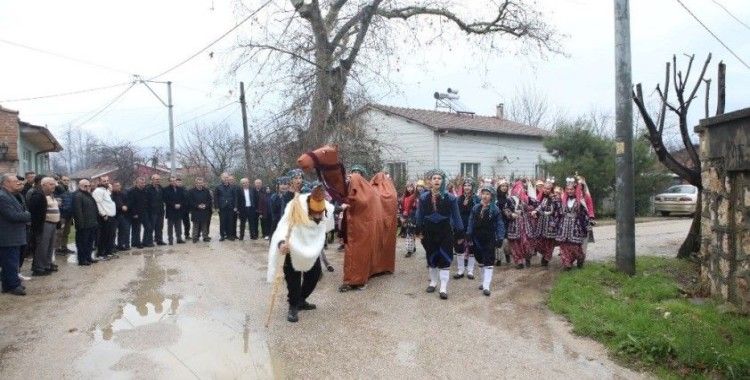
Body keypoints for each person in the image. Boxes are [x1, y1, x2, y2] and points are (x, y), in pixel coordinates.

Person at [267, 182, 334, 323]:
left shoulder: (324, 207)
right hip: (293, 248)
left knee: (315, 274)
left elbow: (332, 213)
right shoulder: (295, 207)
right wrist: (281, 243)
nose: (317, 216)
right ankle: (293, 306)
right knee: (293, 280)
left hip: (311, 249)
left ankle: (301, 300)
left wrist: (342, 208)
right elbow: (283, 227)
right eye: (314, 213)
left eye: (319, 214)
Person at [416, 169, 463, 300]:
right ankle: (433, 282)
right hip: (429, 232)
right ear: (430, 181)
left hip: (445, 232)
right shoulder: (424, 197)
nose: (437, 180)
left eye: (439, 178)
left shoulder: (451, 198)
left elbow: (457, 216)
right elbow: (419, 215)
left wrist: (460, 233)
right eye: (434, 178)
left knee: (445, 258)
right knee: (431, 258)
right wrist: (418, 229)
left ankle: (443, 287)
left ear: (443, 181)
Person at [466, 186, 505, 296]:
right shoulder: (476, 208)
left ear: (492, 197)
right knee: (480, 260)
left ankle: (486, 285)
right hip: (477, 238)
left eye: (488, 194)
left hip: (489, 238)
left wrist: (500, 237)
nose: (485, 196)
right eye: (483, 194)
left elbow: (499, 224)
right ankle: (483, 281)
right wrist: (469, 233)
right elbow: (471, 221)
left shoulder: (495, 210)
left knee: (488, 260)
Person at [0, 174, 32, 295]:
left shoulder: (13, 195)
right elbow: (12, 216)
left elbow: (20, 211)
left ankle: (8, 285)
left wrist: (25, 214)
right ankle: (13, 285)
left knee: (10, 261)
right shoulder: (2, 197)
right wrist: (27, 215)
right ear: (6, 183)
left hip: (14, 234)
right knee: (11, 262)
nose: (18, 183)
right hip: (8, 235)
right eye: (15, 181)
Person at [27, 177, 60, 276]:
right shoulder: (37, 195)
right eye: (51, 184)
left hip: (53, 223)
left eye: (54, 184)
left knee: (50, 246)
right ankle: (39, 268)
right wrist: (38, 226)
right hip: (44, 224)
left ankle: (47, 265)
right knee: (42, 246)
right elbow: (35, 212)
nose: (53, 186)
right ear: (43, 184)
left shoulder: (50, 195)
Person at [557, 180, 590, 270]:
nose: (569, 191)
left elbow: (585, 213)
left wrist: (587, 224)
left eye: (571, 189)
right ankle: (567, 263)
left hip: (575, 226)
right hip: (564, 225)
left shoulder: (580, 201)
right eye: (568, 189)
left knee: (574, 246)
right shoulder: (563, 199)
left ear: (575, 190)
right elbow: (559, 212)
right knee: (564, 245)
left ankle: (580, 257)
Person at [504, 180, 533, 269]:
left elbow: (531, 207)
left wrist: (531, 210)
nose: (520, 190)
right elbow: (505, 209)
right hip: (514, 224)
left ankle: (527, 258)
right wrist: (511, 214)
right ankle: (519, 261)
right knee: (515, 244)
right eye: (518, 188)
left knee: (526, 242)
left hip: (524, 224)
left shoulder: (525, 199)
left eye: (521, 189)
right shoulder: (509, 199)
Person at [530, 180, 560, 267]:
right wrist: (535, 211)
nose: (546, 190)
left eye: (548, 189)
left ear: (551, 189)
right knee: (539, 240)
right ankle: (544, 254)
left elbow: (558, 212)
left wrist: (554, 222)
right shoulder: (544, 198)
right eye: (545, 188)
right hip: (542, 222)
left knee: (549, 242)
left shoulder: (556, 199)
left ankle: (547, 258)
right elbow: (540, 206)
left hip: (551, 223)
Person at [454, 178, 478, 279]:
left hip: (472, 226)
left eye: (469, 185)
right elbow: (455, 213)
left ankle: (470, 270)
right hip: (460, 226)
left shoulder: (477, 199)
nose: (467, 187)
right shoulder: (458, 199)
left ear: (472, 187)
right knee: (459, 248)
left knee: (472, 248)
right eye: (465, 185)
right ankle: (460, 270)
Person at [73, 179, 99, 266]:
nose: (88, 187)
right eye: (85, 186)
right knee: (82, 243)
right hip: (83, 225)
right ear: (80, 186)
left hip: (92, 223)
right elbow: (78, 212)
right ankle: (82, 260)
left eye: (89, 186)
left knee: (89, 243)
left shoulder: (88, 195)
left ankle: (88, 257)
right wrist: (80, 225)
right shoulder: (78, 196)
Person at [92, 175, 117, 260]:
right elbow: (97, 204)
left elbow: (107, 201)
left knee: (110, 235)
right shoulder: (98, 191)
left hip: (111, 216)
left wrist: (109, 190)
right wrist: (103, 214)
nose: (106, 182)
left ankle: (108, 252)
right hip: (104, 217)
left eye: (107, 180)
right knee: (103, 236)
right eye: (104, 181)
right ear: (99, 182)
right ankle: (100, 254)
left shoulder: (105, 190)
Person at [128, 177, 151, 248]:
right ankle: (136, 243)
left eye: (144, 183)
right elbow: (131, 203)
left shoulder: (145, 190)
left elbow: (147, 201)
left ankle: (145, 242)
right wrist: (134, 213)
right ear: (137, 183)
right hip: (136, 213)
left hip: (144, 212)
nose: (143, 184)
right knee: (136, 229)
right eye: (141, 183)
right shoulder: (132, 191)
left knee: (148, 227)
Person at [188, 177, 213, 243]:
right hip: (196, 211)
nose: (200, 184)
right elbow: (190, 201)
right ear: (196, 183)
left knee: (204, 225)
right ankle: (195, 238)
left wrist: (205, 205)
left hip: (205, 210)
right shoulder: (191, 191)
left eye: (201, 183)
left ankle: (205, 237)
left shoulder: (206, 190)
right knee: (195, 225)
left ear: (203, 183)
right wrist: (198, 206)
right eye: (198, 183)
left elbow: (209, 200)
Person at [163, 176, 187, 245]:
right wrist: (174, 205)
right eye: (172, 181)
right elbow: (165, 200)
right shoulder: (166, 189)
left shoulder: (180, 189)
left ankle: (179, 238)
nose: (173, 182)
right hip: (170, 210)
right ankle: (170, 239)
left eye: (174, 181)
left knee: (178, 225)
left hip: (179, 210)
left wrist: (180, 204)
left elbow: (183, 199)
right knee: (170, 226)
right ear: (169, 182)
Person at [54, 175, 74, 255]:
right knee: (59, 232)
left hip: (68, 215)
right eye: (64, 180)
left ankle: (64, 247)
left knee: (66, 232)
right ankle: (57, 249)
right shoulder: (57, 189)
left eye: (67, 180)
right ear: (60, 180)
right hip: (61, 215)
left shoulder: (68, 190)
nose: (66, 181)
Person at [215, 173, 238, 241]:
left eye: (227, 177)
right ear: (222, 178)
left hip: (230, 207)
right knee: (222, 222)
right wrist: (217, 207)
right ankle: (222, 236)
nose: (226, 179)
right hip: (222, 207)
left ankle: (230, 235)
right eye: (224, 177)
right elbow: (216, 198)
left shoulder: (232, 187)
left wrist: (236, 206)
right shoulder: (218, 187)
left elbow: (235, 197)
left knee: (230, 222)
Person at [146, 174, 166, 246]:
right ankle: (149, 241)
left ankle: (159, 240)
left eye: (159, 179)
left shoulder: (160, 188)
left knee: (160, 226)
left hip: (160, 210)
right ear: (152, 180)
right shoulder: (148, 188)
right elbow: (146, 200)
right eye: (156, 179)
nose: (158, 181)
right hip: (152, 211)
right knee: (151, 227)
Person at [495, 179, 511, 265]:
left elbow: (512, 209)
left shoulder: (508, 199)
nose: (504, 188)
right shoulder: (494, 198)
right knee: (498, 240)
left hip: (506, 221)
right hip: (497, 221)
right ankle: (498, 259)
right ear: (499, 187)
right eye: (502, 186)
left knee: (506, 241)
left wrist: (509, 212)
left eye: (506, 186)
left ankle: (507, 254)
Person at [111, 181, 130, 251]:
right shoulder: (111, 195)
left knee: (122, 230)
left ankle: (120, 245)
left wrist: (126, 206)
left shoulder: (123, 194)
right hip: (114, 216)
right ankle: (112, 246)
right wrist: (121, 207)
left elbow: (127, 201)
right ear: (113, 187)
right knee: (113, 232)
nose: (117, 187)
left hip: (122, 215)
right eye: (116, 185)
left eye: (118, 185)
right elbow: (113, 204)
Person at [401, 183, 418, 257]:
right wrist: (402, 216)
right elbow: (403, 207)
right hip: (406, 216)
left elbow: (417, 207)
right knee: (409, 232)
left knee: (410, 233)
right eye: (408, 187)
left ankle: (409, 250)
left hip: (413, 217)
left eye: (411, 187)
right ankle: (412, 247)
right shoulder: (404, 196)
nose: (409, 188)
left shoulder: (416, 197)